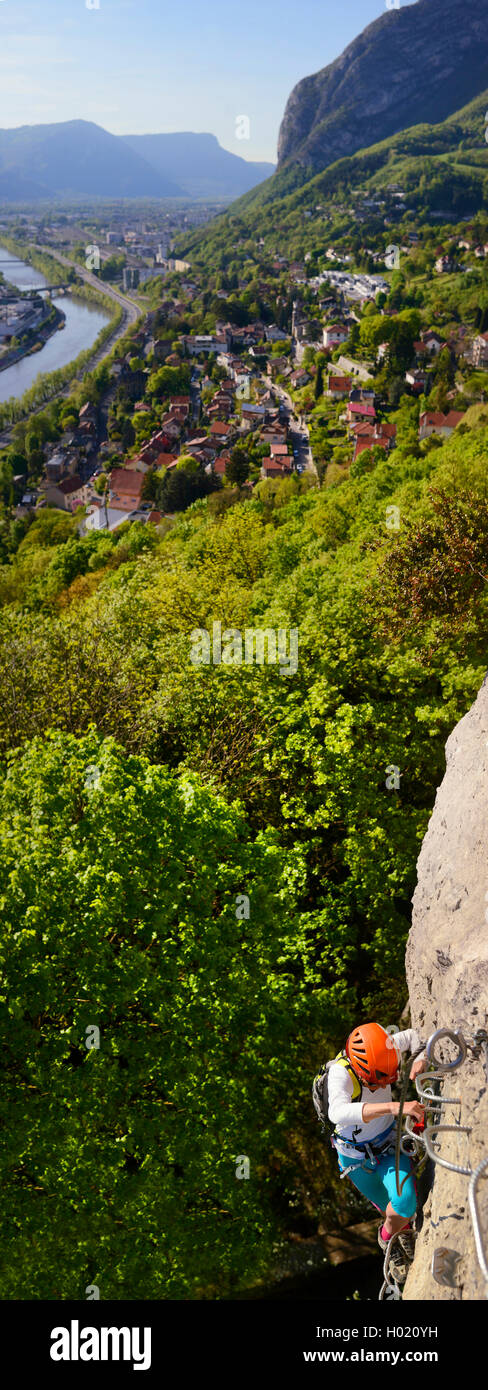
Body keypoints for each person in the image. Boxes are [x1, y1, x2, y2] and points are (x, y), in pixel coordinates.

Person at [327, 1022, 426, 1283]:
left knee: (403, 1205)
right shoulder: (339, 1073)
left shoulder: (386, 1046)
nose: (378, 1086)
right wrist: (393, 1107)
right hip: (356, 1159)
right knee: (392, 1208)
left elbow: (415, 1036)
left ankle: (387, 1237)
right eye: (374, 1081)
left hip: (388, 1146)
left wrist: (422, 1057)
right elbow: (336, 1112)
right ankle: (399, 1233)